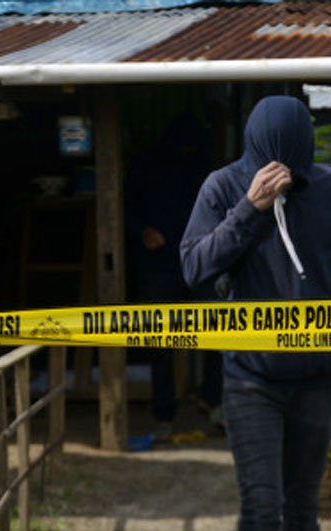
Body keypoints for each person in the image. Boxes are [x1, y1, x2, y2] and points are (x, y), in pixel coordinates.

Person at [180, 95, 331, 531]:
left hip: (318, 376)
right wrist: (249, 210)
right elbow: (194, 267)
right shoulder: (224, 187)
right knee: (262, 511)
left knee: (304, 510)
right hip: (250, 376)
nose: (282, 175)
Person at [125, 113, 222, 439]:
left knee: (215, 335)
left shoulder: (205, 167)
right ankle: (163, 415)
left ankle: (213, 401)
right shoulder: (146, 166)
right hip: (158, 265)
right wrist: (143, 231)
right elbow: (122, 205)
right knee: (160, 342)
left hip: (201, 263)